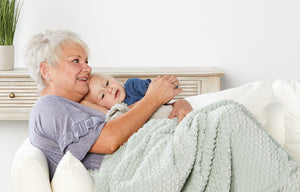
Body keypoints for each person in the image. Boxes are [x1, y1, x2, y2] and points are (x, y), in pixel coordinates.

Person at [24, 29, 193, 179]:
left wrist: (179, 103)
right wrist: (153, 98)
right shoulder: (48, 107)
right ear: (46, 70)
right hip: (142, 171)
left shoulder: (75, 107)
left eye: (86, 62)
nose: (88, 69)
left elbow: (126, 115)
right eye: (76, 61)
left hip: (157, 155)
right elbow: (110, 140)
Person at [80, 73, 176, 118]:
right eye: (103, 96)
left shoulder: (132, 86)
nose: (109, 90)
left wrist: (168, 84)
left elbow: (160, 94)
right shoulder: (114, 115)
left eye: (107, 83)